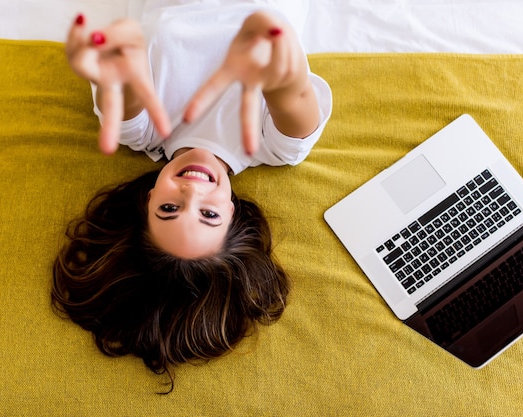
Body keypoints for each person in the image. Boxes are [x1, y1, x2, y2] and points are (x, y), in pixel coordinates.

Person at [51, 2, 332, 392]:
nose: (192, 191)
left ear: (147, 199)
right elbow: (293, 88)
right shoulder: (276, 145)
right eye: (208, 216)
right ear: (233, 216)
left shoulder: (139, 130)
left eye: (170, 209)